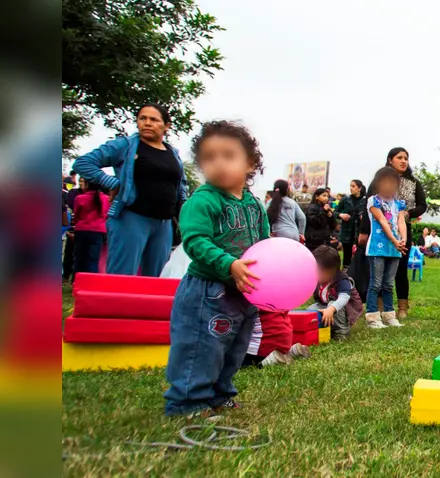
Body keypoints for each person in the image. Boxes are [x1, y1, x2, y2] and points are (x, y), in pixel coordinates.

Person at [163, 120, 267, 417]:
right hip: (207, 292)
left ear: (250, 163)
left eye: (228, 155)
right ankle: (188, 400)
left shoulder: (254, 205)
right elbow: (195, 241)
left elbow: (264, 245)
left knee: (234, 348)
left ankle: (220, 394)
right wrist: (229, 264)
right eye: (210, 157)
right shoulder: (203, 200)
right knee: (200, 347)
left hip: (243, 292)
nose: (218, 163)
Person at [73, 104, 188, 277]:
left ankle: (148, 305)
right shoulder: (125, 146)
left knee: (157, 278)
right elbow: (83, 163)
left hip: (163, 223)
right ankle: (114, 305)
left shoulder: (173, 153)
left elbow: (181, 187)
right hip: (130, 217)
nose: (147, 123)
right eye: (142, 118)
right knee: (121, 276)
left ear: (166, 125)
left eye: (154, 120)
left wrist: (185, 212)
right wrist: (111, 182)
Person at [381, 148, 427, 320]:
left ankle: (402, 307)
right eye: (399, 157)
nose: (404, 161)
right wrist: (364, 231)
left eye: (406, 158)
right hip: (381, 230)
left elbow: (423, 205)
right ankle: (380, 306)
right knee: (380, 268)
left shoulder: (413, 182)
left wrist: (409, 213)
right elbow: (369, 202)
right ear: (390, 160)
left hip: (403, 231)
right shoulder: (381, 179)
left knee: (400, 269)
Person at [364, 167, 408, 329]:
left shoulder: (399, 204)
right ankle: (373, 317)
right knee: (375, 284)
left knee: (389, 284)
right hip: (377, 248)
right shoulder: (373, 201)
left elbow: (401, 222)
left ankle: (389, 316)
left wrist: (403, 239)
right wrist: (395, 241)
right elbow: (383, 221)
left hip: (394, 249)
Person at [307, 246, 353, 341]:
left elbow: (344, 297)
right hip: (324, 305)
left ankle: (341, 331)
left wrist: (332, 309)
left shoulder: (341, 279)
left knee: (331, 304)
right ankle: (324, 328)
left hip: (343, 308)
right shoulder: (317, 279)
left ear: (332, 271)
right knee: (311, 310)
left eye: (320, 271)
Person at [242, 311, 311, 368]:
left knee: (235, 358)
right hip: (284, 343)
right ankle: (291, 352)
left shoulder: (248, 300)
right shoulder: (277, 300)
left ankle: (269, 361)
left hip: (261, 349)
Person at [72, 179, 110, 275]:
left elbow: (76, 216)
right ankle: (91, 283)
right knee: (93, 260)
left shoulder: (80, 198)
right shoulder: (106, 199)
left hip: (82, 230)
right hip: (99, 231)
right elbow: (107, 216)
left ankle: (77, 281)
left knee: (79, 258)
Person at [333, 180, 366, 268]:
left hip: (360, 232)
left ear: (359, 188)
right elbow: (335, 212)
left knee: (360, 255)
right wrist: (341, 215)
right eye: (350, 186)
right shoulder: (346, 199)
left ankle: (358, 276)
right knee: (347, 255)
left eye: (353, 186)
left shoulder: (365, 200)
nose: (351, 188)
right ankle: (346, 275)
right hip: (347, 231)